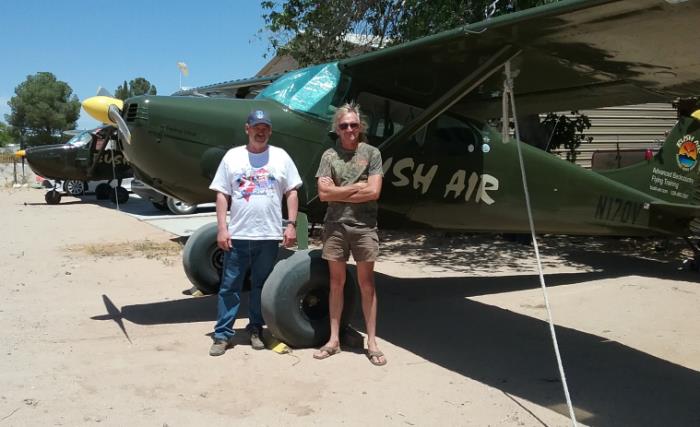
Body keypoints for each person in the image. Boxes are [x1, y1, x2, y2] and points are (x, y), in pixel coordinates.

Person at [208, 109, 302, 357]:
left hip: (269, 236)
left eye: (265, 127)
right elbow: (222, 194)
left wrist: (291, 224)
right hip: (238, 235)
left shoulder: (281, 157)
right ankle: (222, 335)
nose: (261, 131)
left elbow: (292, 191)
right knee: (230, 286)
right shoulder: (232, 157)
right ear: (246, 129)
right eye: (256, 126)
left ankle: (255, 330)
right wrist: (221, 228)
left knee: (261, 286)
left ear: (270, 131)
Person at [313, 102, 386, 366]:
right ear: (337, 128)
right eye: (344, 126)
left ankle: (373, 342)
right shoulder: (328, 156)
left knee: (367, 285)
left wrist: (338, 191)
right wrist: (357, 186)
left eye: (354, 125)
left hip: (364, 227)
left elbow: (374, 192)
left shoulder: (372, 153)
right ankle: (333, 340)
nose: (349, 129)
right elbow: (323, 194)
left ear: (360, 126)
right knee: (336, 283)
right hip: (335, 226)